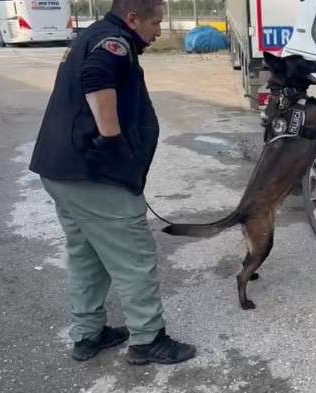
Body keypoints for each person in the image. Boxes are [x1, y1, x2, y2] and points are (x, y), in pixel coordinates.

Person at [29, 0, 195, 365]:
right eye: (155, 23)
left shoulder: (94, 34)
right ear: (132, 18)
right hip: (94, 176)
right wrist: (112, 140)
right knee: (135, 257)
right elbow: (97, 76)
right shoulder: (113, 43)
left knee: (86, 256)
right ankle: (148, 339)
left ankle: (88, 335)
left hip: (60, 171)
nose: (158, 32)